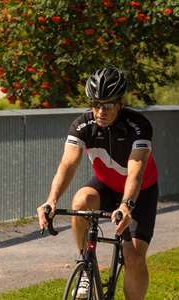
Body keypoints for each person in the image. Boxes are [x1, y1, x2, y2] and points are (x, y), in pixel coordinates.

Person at [37, 66, 159, 300]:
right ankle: (85, 265)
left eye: (107, 105)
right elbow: (68, 164)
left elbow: (136, 171)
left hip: (139, 192)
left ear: (120, 104)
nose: (100, 111)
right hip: (106, 186)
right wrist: (51, 200)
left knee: (132, 256)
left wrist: (126, 206)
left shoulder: (138, 126)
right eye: (95, 104)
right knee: (81, 200)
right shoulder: (82, 126)